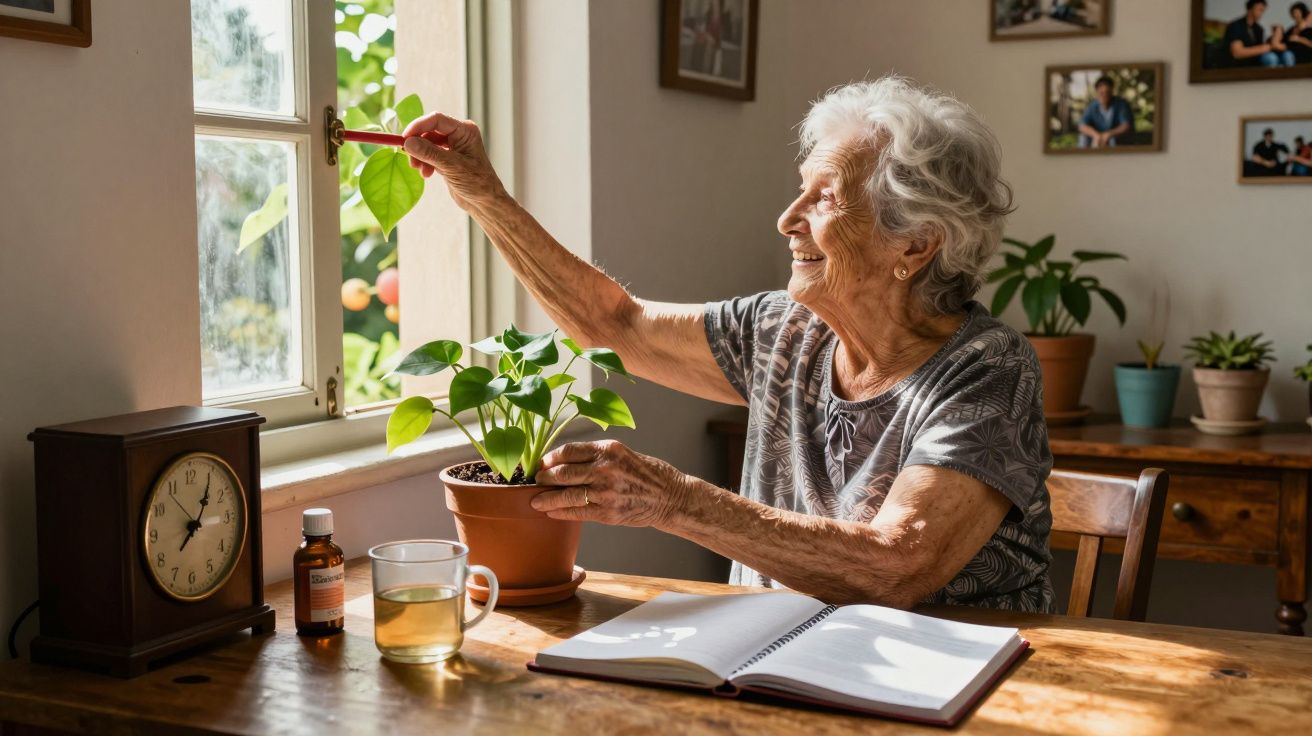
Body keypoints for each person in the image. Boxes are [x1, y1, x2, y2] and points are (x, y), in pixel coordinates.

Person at [400, 77, 1055, 612]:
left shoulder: (985, 367)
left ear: (913, 244)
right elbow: (616, 327)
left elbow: (896, 567)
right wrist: (480, 192)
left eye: (823, 199)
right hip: (775, 662)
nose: (787, 219)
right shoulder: (782, 330)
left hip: (950, 688)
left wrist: (675, 499)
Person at [1225, 0, 1296, 67]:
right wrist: (1268, 47)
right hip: (1239, 64)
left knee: (1287, 55)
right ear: (1250, 10)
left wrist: (1275, 36)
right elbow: (1237, 53)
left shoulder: (1258, 29)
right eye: (1259, 10)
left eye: (1263, 11)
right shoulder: (1236, 26)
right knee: (1270, 57)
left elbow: (1260, 48)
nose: (1261, 13)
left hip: (1254, 60)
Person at [1077, 76, 1134, 148]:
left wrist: (1109, 134)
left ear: (1111, 91)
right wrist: (1095, 135)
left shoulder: (1121, 104)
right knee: (1083, 139)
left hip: (1117, 138)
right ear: (1097, 92)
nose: (1104, 95)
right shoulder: (1093, 106)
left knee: (1112, 140)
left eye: (1107, 92)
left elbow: (1126, 126)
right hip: (1098, 138)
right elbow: (1082, 126)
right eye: (1101, 93)